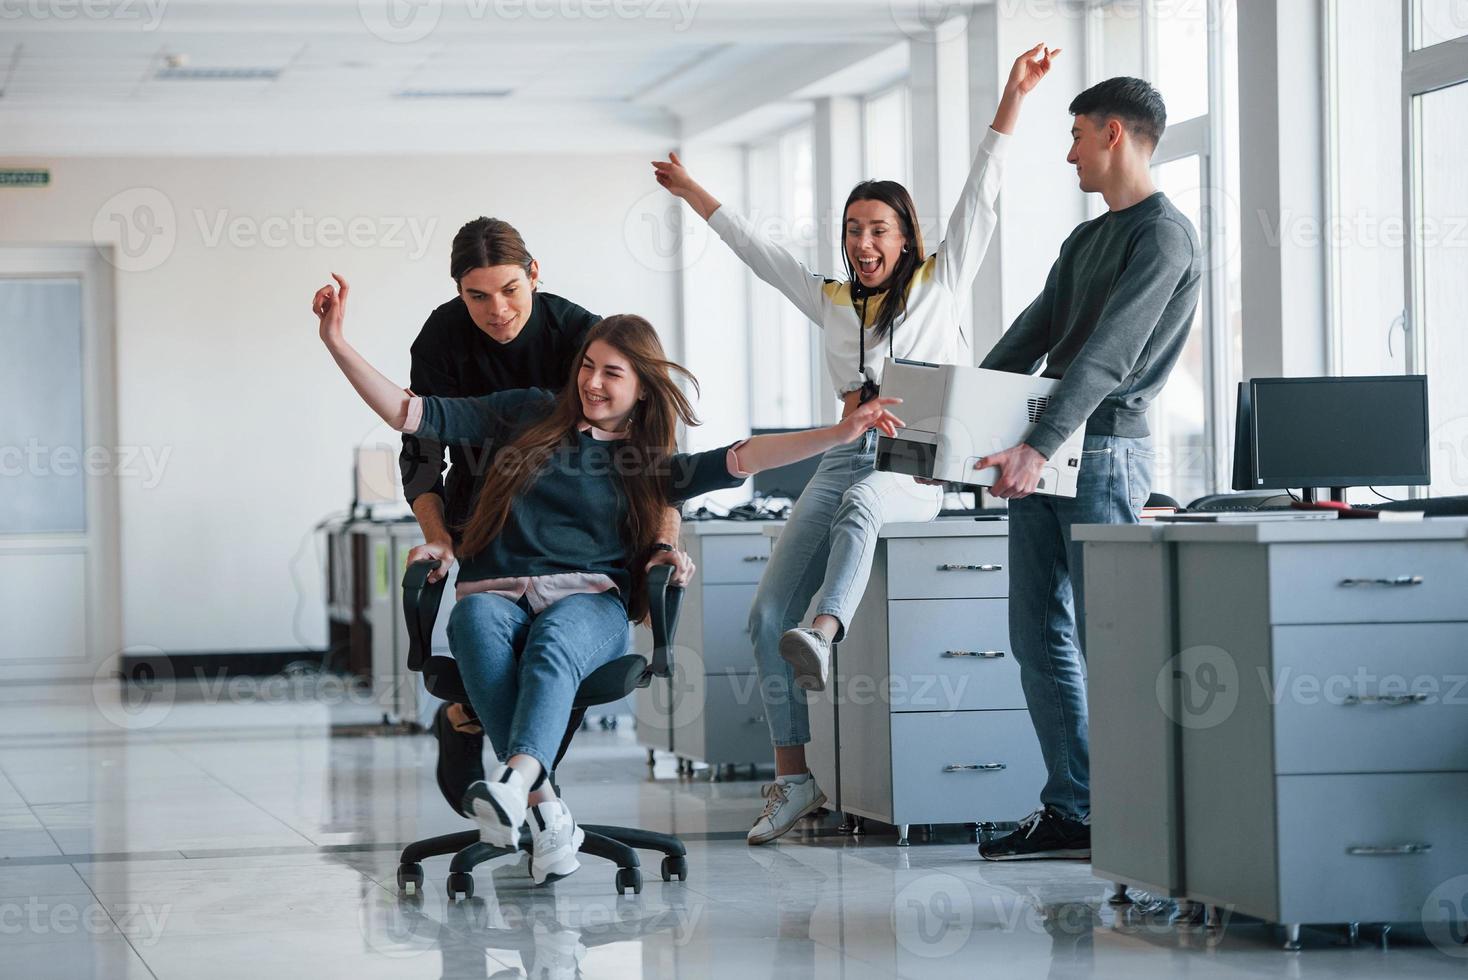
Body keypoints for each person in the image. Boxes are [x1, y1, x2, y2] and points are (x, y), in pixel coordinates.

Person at [314, 276, 907, 883]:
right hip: (494, 591)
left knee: (550, 648)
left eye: (613, 373)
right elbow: (409, 412)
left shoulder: (650, 463)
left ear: (644, 388)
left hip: (587, 602)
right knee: (472, 620)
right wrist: (336, 341)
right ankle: (545, 809)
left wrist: (839, 434)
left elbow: (746, 456)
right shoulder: (523, 412)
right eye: (588, 367)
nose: (592, 383)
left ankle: (517, 784)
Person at [651, 43, 1058, 845]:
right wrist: (693, 190)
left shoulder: (943, 281)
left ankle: (828, 631)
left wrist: (1012, 96)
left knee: (870, 504)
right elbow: (753, 250)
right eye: (852, 231)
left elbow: (983, 192)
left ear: (906, 237)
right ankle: (792, 779)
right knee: (766, 615)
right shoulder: (832, 299)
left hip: (916, 458)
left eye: (878, 230)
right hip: (843, 452)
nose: (863, 243)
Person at [975, 77, 1202, 861]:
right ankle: (1075, 807)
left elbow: (1109, 357)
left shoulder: (1164, 236)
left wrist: (1036, 449)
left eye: (1075, 135)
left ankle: (1140, 814)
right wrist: (948, 426)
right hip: (1046, 449)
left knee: (1110, 637)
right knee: (1034, 634)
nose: (1068, 151)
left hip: (1100, 452)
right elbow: (1025, 339)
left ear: (1113, 133)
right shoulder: (1085, 240)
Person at [398, 217, 690, 817]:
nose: (496, 310)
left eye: (509, 289)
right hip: (485, 518)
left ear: (534, 274)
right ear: (458, 292)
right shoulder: (442, 339)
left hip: (579, 521)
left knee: (558, 652)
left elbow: (656, 455)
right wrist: (438, 538)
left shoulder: (580, 335)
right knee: (489, 636)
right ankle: (536, 797)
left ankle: (513, 781)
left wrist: (661, 545)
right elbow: (421, 451)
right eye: (476, 296)